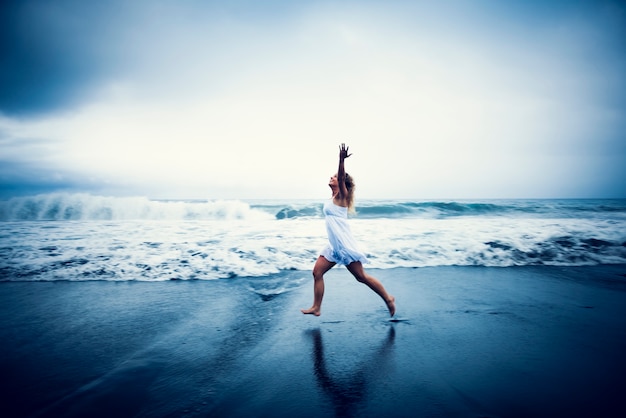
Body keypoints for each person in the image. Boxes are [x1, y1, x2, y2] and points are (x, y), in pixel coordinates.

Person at [301, 144, 396, 317]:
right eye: (332, 175)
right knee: (317, 273)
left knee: (361, 277)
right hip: (333, 246)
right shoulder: (332, 199)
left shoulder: (341, 197)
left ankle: (388, 299)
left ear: (342, 182)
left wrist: (341, 160)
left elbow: (342, 176)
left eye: (335, 176)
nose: (331, 177)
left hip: (343, 246)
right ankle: (317, 307)